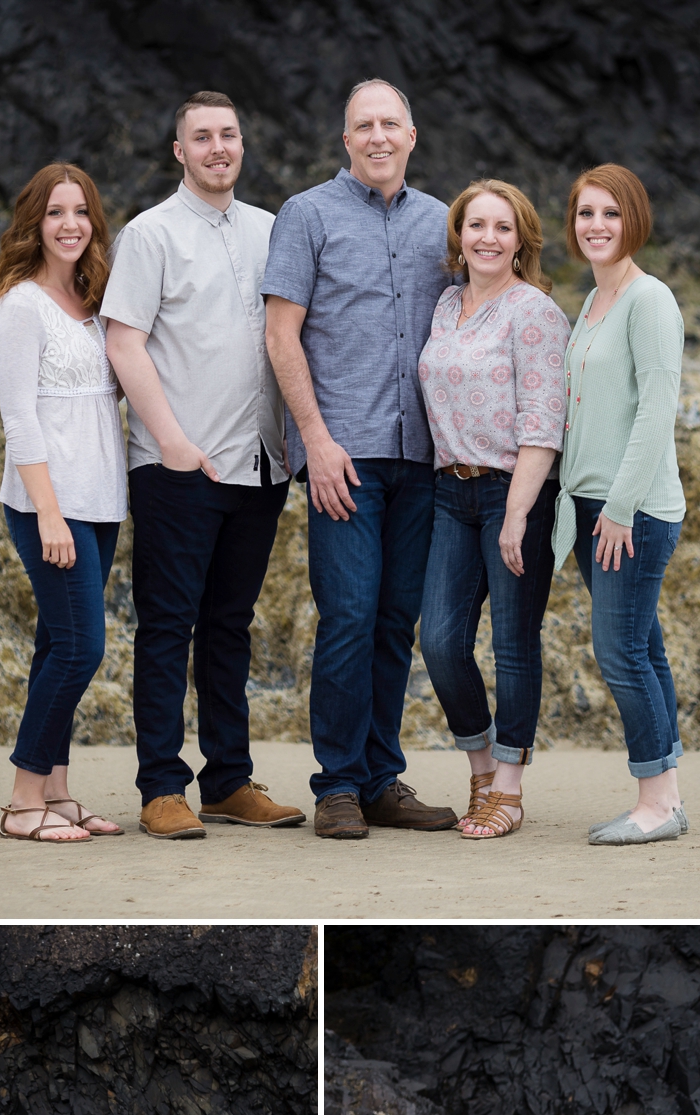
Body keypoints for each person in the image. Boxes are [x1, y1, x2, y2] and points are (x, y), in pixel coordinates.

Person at [103, 90, 303, 840]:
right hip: (177, 468)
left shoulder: (273, 230)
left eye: (229, 134)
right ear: (179, 151)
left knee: (230, 627)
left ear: (242, 144)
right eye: (202, 137)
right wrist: (173, 442)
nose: (218, 147)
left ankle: (227, 781)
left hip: (259, 467)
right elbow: (123, 342)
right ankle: (161, 786)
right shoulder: (149, 234)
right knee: (166, 626)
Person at [263, 79, 458, 842]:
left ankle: (381, 780)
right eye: (363, 125)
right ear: (346, 140)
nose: (378, 136)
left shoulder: (443, 222)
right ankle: (338, 785)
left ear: (412, 135)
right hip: (343, 457)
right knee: (347, 616)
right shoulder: (306, 215)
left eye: (390, 123)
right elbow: (281, 334)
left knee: (394, 622)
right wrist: (314, 439)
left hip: (423, 459)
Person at [416, 179, 569, 839]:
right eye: (476, 225)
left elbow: (544, 421)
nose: (487, 238)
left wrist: (518, 513)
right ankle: (481, 769)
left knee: (513, 642)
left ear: (521, 240)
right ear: (459, 235)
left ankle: (508, 788)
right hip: (450, 491)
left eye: (503, 227)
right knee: (440, 641)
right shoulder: (446, 304)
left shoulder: (534, 311)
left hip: (515, 492)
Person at [0, 162, 128, 842]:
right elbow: (19, 419)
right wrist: (48, 512)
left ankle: (57, 791)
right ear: (33, 223)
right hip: (50, 504)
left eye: (80, 212)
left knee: (55, 646)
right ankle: (22, 802)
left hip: (100, 502)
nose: (70, 225)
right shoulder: (21, 306)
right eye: (54, 213)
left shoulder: (95, 301)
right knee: (80, 648)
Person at [550, 165, 689, 845]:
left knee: (620, 651)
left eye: (611, 213)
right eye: (586, 213)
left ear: (634, 220)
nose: (597, 225)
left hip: (630, 512)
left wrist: (622, 507)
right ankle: (669, 794)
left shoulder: (649, 299)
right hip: (590, 508)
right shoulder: (593, 300)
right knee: (644, 648)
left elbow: (658, 409)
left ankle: (655, 804)